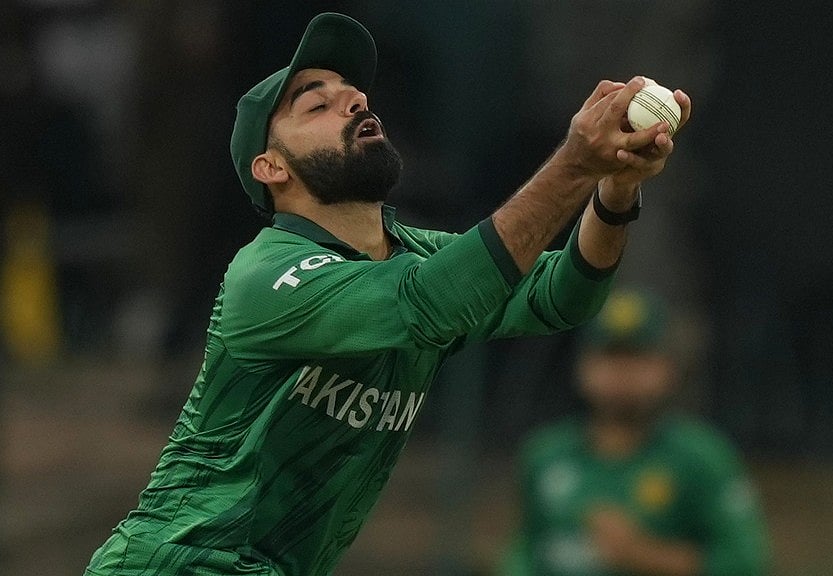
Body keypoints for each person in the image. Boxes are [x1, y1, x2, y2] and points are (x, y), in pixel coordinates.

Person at [84, 12, 690, 576]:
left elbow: (564, 296)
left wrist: (614, 191)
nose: (354, 100)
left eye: (353, 93)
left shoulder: (414, 254)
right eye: (316, 104)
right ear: (272, 167)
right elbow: (431, 303)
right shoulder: (267, 274)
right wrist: (575, 164)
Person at [501, 289, 770, 576]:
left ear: (668, 369)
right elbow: (525, 551)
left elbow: (746, 563)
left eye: (638, 358)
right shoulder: (546, 454)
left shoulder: (701, 457)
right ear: (583, 367)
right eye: (611, 357)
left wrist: (642, 554)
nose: (623, 374)